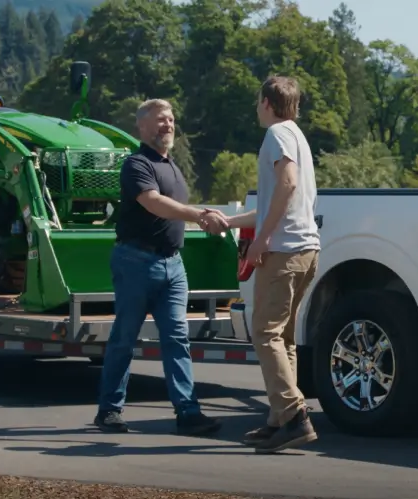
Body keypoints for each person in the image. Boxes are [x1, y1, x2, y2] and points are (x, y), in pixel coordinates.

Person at [94, 98, 229, 436]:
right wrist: (200, 215)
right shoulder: (136, 164)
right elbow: (154, 203)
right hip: (136, 261)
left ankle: (187, 412)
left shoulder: (172, 166)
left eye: (170, 120)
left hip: (173, 264)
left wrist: (204, 214)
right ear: (141, 127)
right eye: (160, 120)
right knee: (125, 338)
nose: (168, 125)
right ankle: (109, 410)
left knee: (177, 340)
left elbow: (173, 207)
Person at [221, 76, 320, 453]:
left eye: (257, 100)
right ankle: (279, 419)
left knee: (263, 333)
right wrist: (230, 221)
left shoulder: (276, 135)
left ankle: (294, 416)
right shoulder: (296, 134)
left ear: (266, 102)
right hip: (306, 250)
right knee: (283, 339)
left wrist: (259, 243)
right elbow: (272, 204)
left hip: (284, 252)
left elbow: (288, 184)